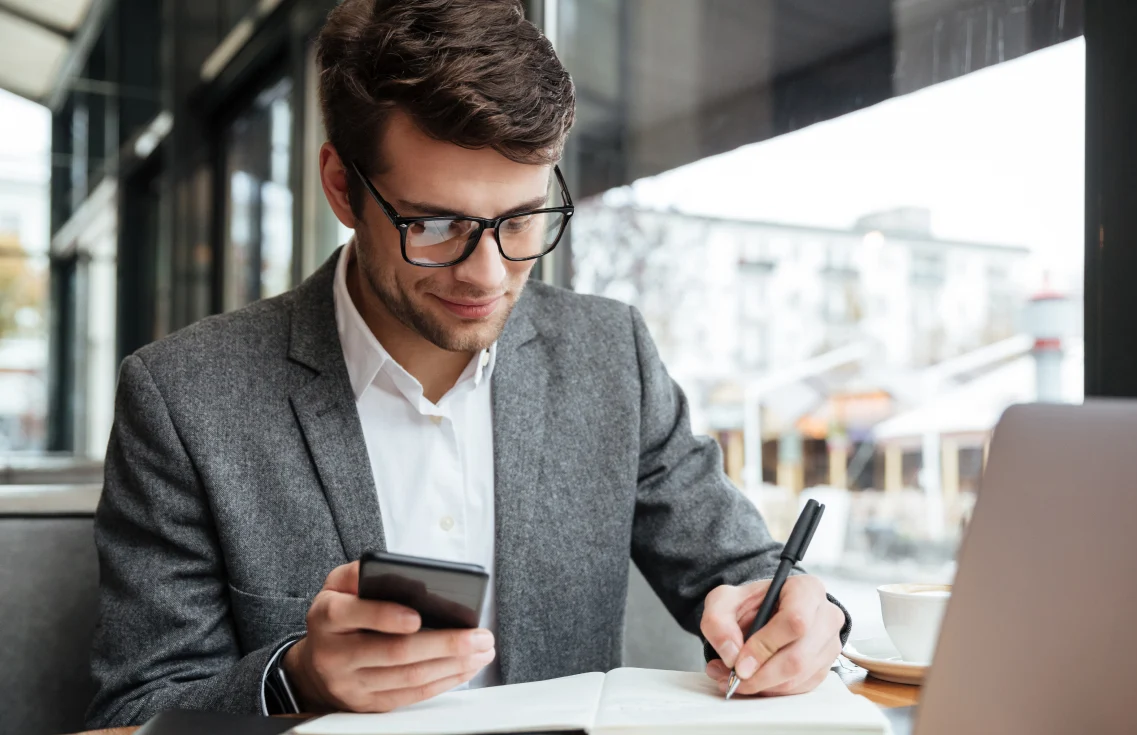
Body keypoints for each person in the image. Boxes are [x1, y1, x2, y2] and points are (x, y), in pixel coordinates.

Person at [85, 0, 850, 727]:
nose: (486, 274)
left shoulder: (610, 356)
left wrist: (803, 617)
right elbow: (135, 709)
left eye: (520, 220)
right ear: (342, 187)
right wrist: (297, 678)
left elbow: (748, 572)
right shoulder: (185, 399)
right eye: (437, 223)